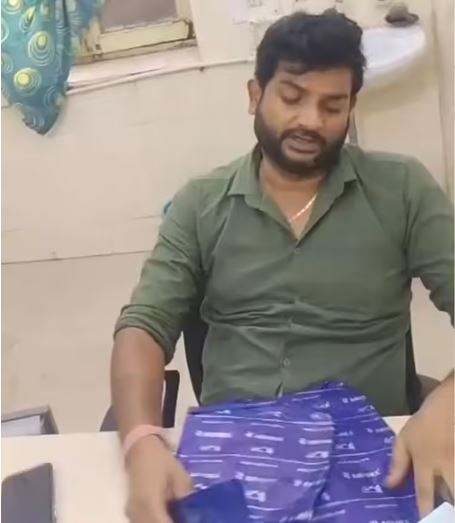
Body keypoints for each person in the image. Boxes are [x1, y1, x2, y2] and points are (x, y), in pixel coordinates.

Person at [111, 12, 454, 523]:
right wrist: (141, 440)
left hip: (372, 458)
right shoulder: (200, 203)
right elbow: (143, 327)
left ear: (351, 107)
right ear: (256, 95)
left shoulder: (402, 189)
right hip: (229, 459)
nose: (311, 121)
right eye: (292, 98)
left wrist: (446, 404)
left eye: (332, 105)